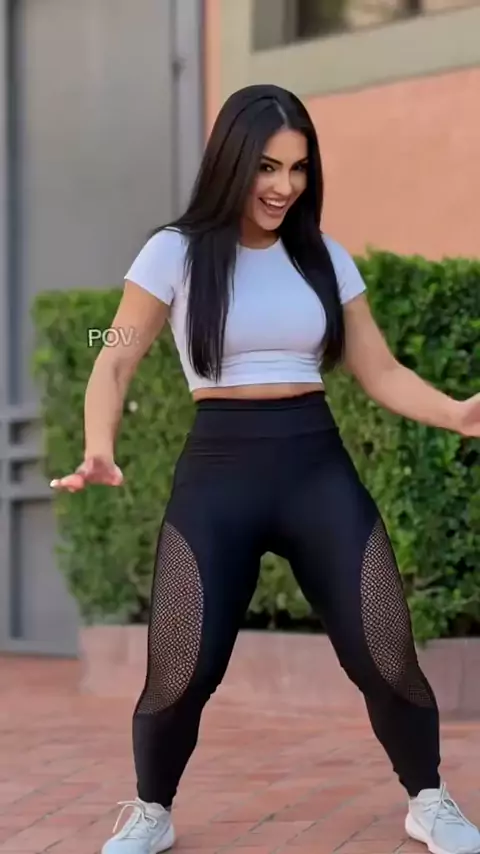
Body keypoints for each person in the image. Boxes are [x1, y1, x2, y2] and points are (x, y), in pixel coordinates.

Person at [51, 84, 480, 854]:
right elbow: (112, 358)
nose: (285, 186)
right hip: (219, 473)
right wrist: (99, 442)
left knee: (385, 649)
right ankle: (152, 809)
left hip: (315, 465)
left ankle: (428, 798)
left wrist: (457, 413)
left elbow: (379, 370)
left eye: (299, 168)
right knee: (181, 667)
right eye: (268, 167)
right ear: (232, 162)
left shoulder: (324, 257)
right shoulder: (175, 252)